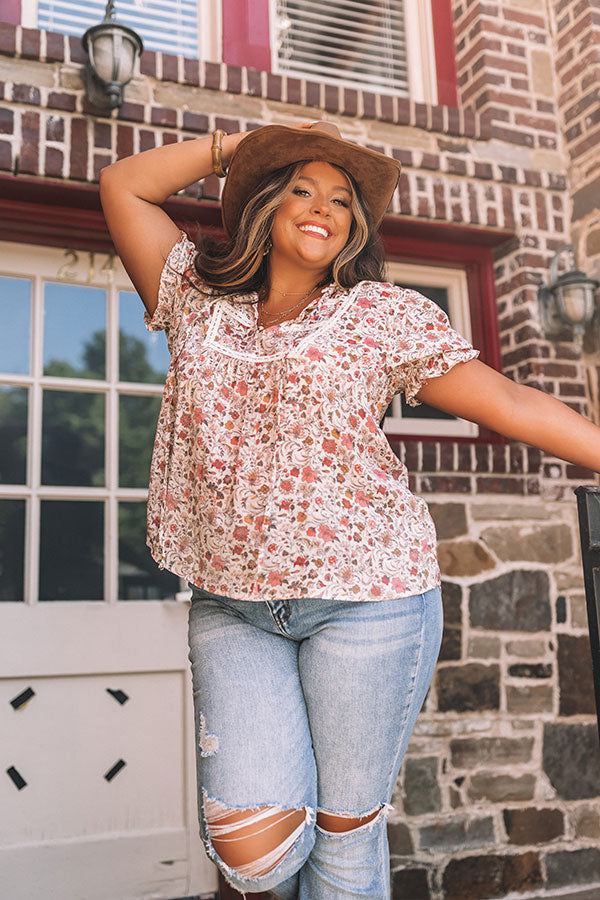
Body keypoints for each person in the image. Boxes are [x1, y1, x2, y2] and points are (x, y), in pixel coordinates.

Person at [100, 121, 600, 900]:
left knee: (343, 833)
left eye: (341, 200)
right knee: (254, 851)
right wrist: (246, 146)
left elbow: (508, 401)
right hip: (233, 604)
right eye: (301, 188)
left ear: (355, 227)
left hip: (369, 597)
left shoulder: (380, 315)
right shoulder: (196, 298)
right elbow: (123, 185)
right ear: (265, 205)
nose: (323, 208)